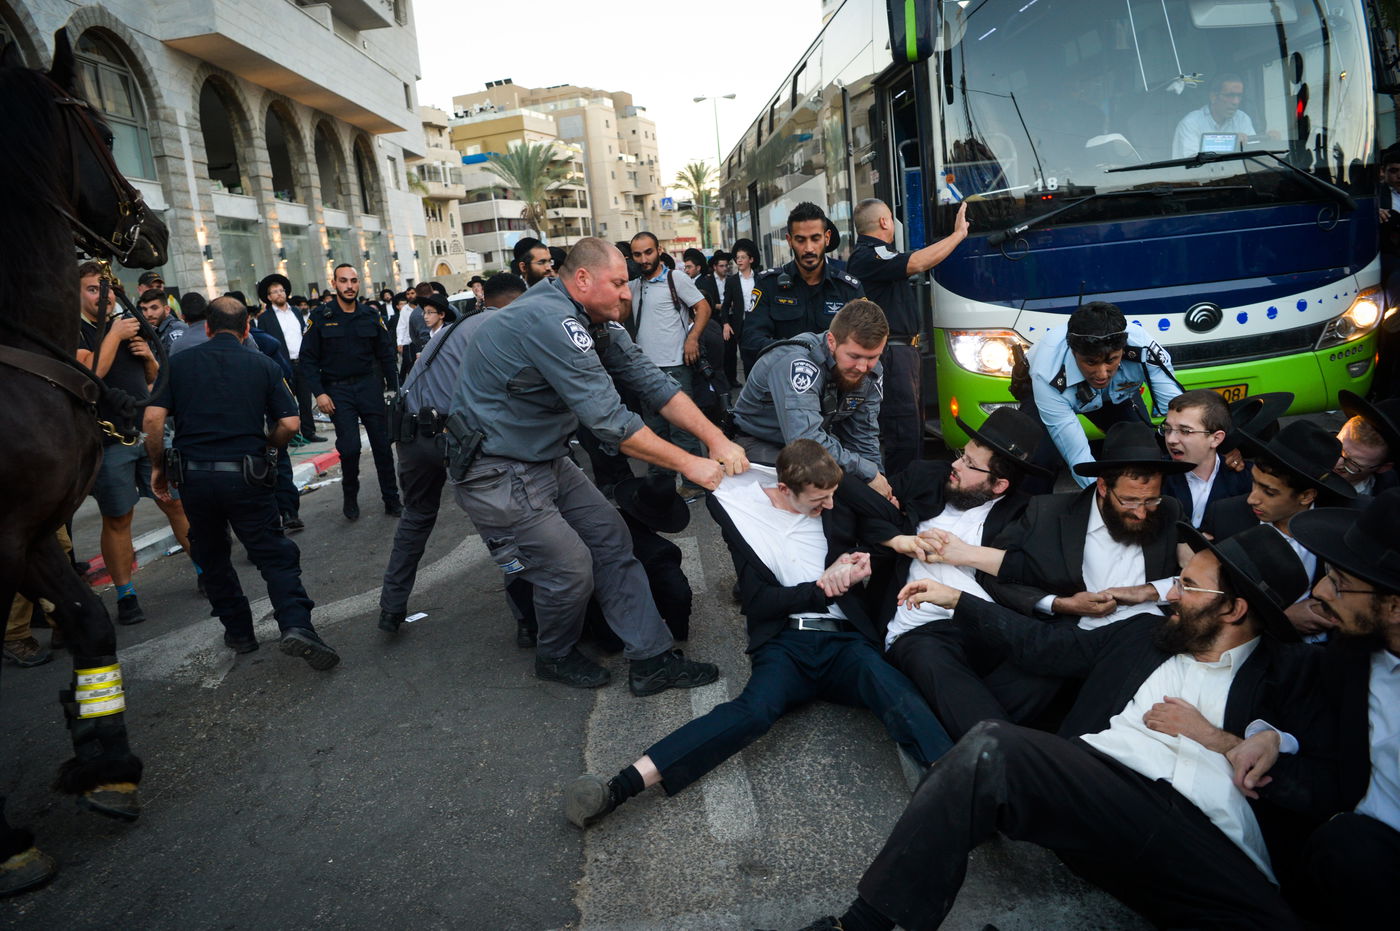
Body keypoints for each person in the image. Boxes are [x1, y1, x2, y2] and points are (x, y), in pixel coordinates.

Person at [795, 519, 1320, 931]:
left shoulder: (1289, 677)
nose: (1173, 594)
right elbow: (1044, 648)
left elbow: (1322, 789)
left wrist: (1220, 739)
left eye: (1188, 586)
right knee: (991, 748)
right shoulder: (1142, 634)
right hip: (1104, 795)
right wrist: (959, 601)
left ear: (1234, 610)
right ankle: (860, 924)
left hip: (1211, 847)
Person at [562, 440, 952, 828]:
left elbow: (878, 528)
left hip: (846, 641)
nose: (829, 506)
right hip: (787, 645)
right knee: (752, 712)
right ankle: (618, 787)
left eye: (832, 496)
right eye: (818, 500)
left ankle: (958, 782)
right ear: (785, 490)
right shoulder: (746, 520)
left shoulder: (835, 504)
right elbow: (759, 602)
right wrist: (820, 588)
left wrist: (865, 558)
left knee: (894, 689)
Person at [448, 237, 744, 693]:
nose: (628, 293)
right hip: (497, 470)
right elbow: (610, 422)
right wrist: (691, 463)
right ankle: (556, 652)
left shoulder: (589, 317)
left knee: (610, 537)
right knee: (569, 568)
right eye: (619, 283)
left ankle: (653, 660)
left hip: (543, 457)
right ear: (582, 279)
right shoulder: (552, 320)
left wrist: (716, 439)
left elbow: (651, 382)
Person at [143, 297, 338, 669]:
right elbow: (291, 424)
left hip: (195, 477)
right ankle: (296, 625)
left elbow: (153, 421)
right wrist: (267, 449)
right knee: (274, 555)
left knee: (212, 555)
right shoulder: (262, 364)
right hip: (247, 475)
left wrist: (158, 466)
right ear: (247, 328)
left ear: (208, 327)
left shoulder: (177, 364)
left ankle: (240, 633)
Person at [856, 409, 1052, 740]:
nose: (956, 465)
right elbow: (862, 512)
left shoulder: (1025, 513)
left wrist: (964, 554)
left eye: (970, 464)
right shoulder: (925, 478)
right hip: (923, 629)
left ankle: (979, 734)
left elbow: (1037, 568)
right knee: (932, 661)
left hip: (989, 626)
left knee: (1052, 663)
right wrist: (902, 541)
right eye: (962, 454)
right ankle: (999, 753)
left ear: (999, 485)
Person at [377, 273, 527, 634]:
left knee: (416, 516)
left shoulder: (451, 331)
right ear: (515, 301)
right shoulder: (499, 324)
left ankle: (391, 607)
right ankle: (528, 620)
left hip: (411, 435)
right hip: (450, 434)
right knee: (500, 522)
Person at [1288, 490, 1400, 929]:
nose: (1319, 591)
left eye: (1338, 581)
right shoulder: (1351, 653)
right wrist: (1275, 737)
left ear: (1394, 606)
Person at [75, 261, 194, 625]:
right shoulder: (74, 330)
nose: (104, 296)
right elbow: (89, 375)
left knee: (174, 502)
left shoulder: (128, 326)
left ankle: (207, 569)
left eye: (107, 289)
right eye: (94, 289)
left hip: (149, 431)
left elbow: (155, 379)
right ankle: (126, 595)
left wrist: (148, 360)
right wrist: (112, 335)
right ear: (76, 292)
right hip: (109, 439)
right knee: (118, 518)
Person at [1202, 419, 1356, 640]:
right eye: (1254, 483)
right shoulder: (1226, 517)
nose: (1252, 499)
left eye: (1269, 492)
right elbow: (1213, 599)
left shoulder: (1342, 527)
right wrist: (1281, 620)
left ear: (1306, 496)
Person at [847, 198, 971, 473]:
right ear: (884, 222)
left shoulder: (880, 255)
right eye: (891, 218)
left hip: (904, 354)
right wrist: (958, 235)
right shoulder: (868, 255)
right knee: (902, 434)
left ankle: (908, 494)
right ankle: (898, 495)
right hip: (892, 356)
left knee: (913, 432)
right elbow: (916, 262)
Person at [731, 299, 891, 499]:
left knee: (866, 496)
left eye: (872, 357)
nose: (862, 367)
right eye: (854, 356)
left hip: (818, 443)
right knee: (820, 492)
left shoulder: (871, 371)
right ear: (832, 341)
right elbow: (806, 440)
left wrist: (878, 481)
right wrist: (866, 472)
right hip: (761, 444)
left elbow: (863, 435)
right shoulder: (798, 363)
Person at [1022, 301, 1183, 489]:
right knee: (1038, 460)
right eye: (1090, 362)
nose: (1102, 374)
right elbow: (1078, 456)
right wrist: (1104, 498)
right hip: (1053, 393)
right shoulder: (1047, 371)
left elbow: (1178, 412)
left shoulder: (1143, 347)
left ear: (1123, 349)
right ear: (1073, 352)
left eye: (1112, 360)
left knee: (1143, 451)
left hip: (1114, 399)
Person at [300, 263, 402, 521]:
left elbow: (386, 353)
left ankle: (392, 499)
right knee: (350, 447)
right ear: (334, 283)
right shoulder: (321, 317)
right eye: (344, 281)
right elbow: (308, 360)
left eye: (354, 281)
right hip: (337, 390)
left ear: (359, 284)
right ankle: (350, 497)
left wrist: (397, 388)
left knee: (381, 445)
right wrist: (319, 394)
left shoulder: (370, 315)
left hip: (368, 386)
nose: (349, 286)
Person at [626, 231, 713, 496]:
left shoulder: (677, 278)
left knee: (682, 427)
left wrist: (693, 339)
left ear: (659, 250)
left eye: (648, 252)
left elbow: (704, 307)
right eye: (638, 254)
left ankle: (692, 482)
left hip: (676, 365)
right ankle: (661, 483)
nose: (643, 259)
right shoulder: (634, 286)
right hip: (646, 368)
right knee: (655, 430)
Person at [740, 202, 864, 356]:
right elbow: (751, 340)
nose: (809, 248)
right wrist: (798, 353)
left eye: (815, 238)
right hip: (784, 374)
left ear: (827, 238)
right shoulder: (768, 284)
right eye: (800, 240)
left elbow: (865, 338)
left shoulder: (848, 288)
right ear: (789, 240)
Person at [1160, 389, 1252, 528]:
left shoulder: (1246, 478)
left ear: (1216, 438)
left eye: (1185, 431)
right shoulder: (1155, 475)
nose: (1171, 439)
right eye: (1167, 429)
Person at [255, 273, 325, 443]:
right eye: (275, 292)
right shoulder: (265, 318)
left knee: (305, 400)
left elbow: (304, 334)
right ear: (269, 297)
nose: (279, 294)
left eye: (281, 290)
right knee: (285, 401)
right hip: (281, 364)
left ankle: (309, 432)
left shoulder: (296, 311)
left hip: (301, 362)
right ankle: (290, 436)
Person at [1172, 72, 1258, 158]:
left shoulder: (1242, 119)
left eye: (1239, 96)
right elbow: (1190, 163)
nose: (1236, 102)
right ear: (1213, 97)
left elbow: (1255, 154)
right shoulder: (1190, 123)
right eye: (1230, 95)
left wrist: (1269, 141)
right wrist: (1231, 142)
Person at [1333, 390, 1399, 496]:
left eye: (1353, 463)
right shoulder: (1302, 452)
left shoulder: (1386, 498)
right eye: (1337, 446)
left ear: (1384, 467)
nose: (1337, 463)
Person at [726, 238, 761, 378]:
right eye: (737, 258)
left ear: (751, 259)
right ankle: (750, 391)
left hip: (759, 324)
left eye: (743, 257)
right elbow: (726, 305)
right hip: (742, 326)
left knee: (761, 358)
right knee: (747, 360)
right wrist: (725, 323)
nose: (739, 260)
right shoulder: (732, 281)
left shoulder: (760, 278)